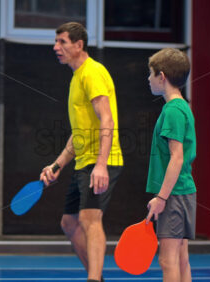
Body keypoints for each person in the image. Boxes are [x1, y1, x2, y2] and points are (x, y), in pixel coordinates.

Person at [40, 22, 123, 282]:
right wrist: (57, 165)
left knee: (89, 219)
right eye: (56, 42)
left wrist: (100, 165)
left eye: (62, 42)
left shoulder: (92, 73)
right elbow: (79, 134)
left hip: (101, 160)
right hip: (84, 161)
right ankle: (96, 276)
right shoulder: (76, 78)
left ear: (79, 45)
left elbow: (107, 119)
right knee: (68, 223)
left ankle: (94, 279)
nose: (56, 47)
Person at [145, 48, 197, 282]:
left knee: (167, 261)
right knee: (180, 258)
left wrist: (162, 198)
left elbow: (176, 157)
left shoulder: (173, 110)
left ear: (162, 77)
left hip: (174, 195)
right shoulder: (182, 106)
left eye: (151, 73)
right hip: (183, 191)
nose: (149, 78)